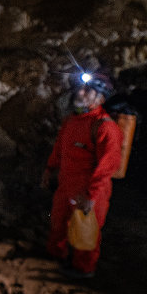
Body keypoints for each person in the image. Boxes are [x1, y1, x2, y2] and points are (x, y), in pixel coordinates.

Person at [41, 72, 123, 279]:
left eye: (88, 90)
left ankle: (83, 270)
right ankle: (56, 257)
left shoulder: (106, 127)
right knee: (58, 222)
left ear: (100, 99)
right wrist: (49, 169)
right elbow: (59, 148)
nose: (80, 92)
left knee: (86, 231)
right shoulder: (71, 121)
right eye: (81, 88)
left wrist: (92, 196)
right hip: (66, 184)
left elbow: (108, 166)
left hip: (90, 189)